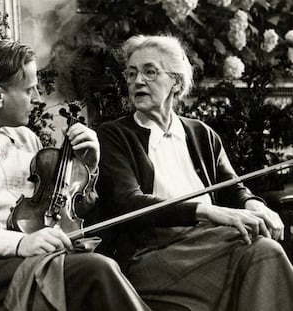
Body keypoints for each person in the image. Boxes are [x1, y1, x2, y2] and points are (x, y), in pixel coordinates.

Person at [0, 40, 151, 311]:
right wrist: (20, 242)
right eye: (30, 90)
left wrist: (89, 166)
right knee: (94, 270)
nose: (38, 99)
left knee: (101, 267)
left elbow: (62, 210)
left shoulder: (26, 139)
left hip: (34, 257)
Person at [95, 34, 293, 311]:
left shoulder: (201, 133)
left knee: (264, 249)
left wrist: (254, 205)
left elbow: (233, 188)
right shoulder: (113, 135)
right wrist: (206, 211)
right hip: (153, 252)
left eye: (150, 72)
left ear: (175, 81)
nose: (137, 81)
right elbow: (129, 202)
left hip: (211, 241)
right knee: (262, 253)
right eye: (131, 74)